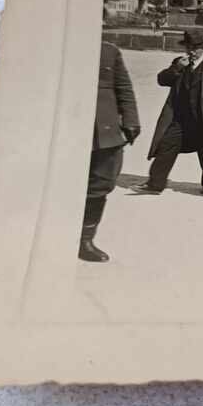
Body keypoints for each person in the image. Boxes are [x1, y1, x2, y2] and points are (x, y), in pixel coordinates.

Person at [137, 31, 203, 195]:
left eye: (194, 48)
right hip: (179, 119)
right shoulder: (180, 64)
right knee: (166, 146)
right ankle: (155, 184)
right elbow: (162, 80)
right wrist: (177, 68)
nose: (190, 52)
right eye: (188, 47)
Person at [81, 41, 141, 263]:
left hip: (105, 130)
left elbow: (124, 87)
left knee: (102, 183)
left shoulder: (109, 50)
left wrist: (131, 120)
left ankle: (85, 240)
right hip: (70, 125)